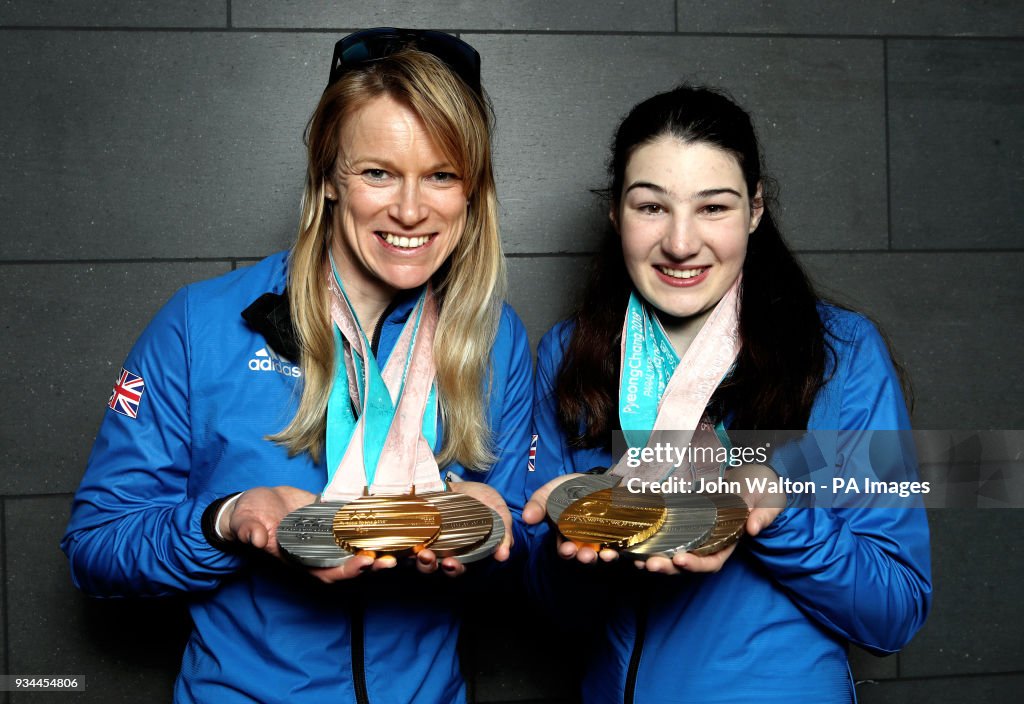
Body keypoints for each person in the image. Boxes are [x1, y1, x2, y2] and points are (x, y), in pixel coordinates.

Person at [61, 28, 532, 704]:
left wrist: (492, 533)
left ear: (472, 192)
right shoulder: (203, 324)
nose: (409, 209)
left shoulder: (495, 337)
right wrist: (225, 518)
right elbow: (96, 545)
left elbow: (529, 577)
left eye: (442, 175)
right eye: (377, 172)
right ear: (329, 178)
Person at [523, 85, 931, 703]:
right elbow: (554, 613)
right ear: (615, 212)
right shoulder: (570, 354)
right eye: (651, 207)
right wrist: (574, 543)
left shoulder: (841, 356)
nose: (682, 243)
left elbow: (896, 611)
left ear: (755, 209)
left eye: (713, 207)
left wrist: (781, 514)